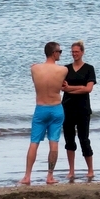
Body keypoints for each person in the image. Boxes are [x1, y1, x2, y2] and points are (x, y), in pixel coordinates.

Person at [20, 42, 69, 185]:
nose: (60, 53)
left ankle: (27, 176)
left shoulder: (35, 68)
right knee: (54, 142)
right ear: (54, 53)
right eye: (59, 51)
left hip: (41, 108)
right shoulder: (63, 70)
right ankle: (50, 176)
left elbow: (37, 79)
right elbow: (61, 84)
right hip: (56, 108)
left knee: (34, 142)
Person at [60, 40, 96, 181]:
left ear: (82, 52)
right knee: (69, 140)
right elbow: (62, 87)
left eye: (77, 51)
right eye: (73, 52)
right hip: (67, 108)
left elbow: (88, 89)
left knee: (84, 139)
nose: (74, 54)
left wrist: (71, 89)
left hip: (83, 109)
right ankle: (71, 170)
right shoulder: (65, 69)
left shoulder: (89, 68)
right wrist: (75, 89)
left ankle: (90, 170)